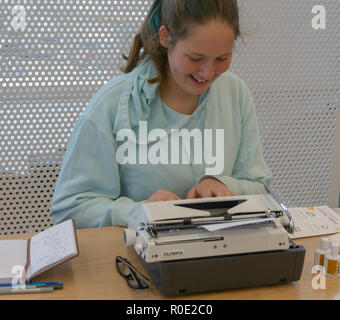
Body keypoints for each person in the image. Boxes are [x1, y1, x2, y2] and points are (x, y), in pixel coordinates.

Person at [51, 0, 272, 228]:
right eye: (195, 58)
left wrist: (221, 184)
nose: (207, 72)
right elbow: (70, 208)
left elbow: (258, 187)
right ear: (165, 37)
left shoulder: (235, 93)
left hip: (218, 252)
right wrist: (138, 212)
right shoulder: (113, 104)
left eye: (222, 58)